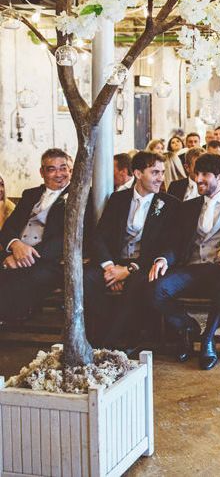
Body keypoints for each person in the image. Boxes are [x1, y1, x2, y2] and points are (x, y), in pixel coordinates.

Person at [148, 153, 220, 370]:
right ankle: (187, 327)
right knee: (156, 289)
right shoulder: (188, 207)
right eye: (196, 174)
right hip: (190, 268)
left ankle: (207, 339)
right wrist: (163, 259)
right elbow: (174, 243)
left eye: (205, 175)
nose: (198, 179)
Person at [84, 152, 179, 349]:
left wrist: (129, 270)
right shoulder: (118, 199)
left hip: (146, 264)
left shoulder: (170, 204)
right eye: (154, 172)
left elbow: (169, 246)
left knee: (137, 283)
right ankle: (98, 334)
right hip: (115, 261)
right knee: (86, 278)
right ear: (137, 173)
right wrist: (110, 268)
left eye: (162, 172)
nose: (160, 178)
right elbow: (99, 236)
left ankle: (113, 344)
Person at [0, 149, 92, 320]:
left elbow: (67, 237)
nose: (59, 174)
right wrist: (15, 245)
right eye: (52, 169)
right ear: (42, 172)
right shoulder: (30, 195)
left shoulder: (81, 196)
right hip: (15, 252)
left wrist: (25, 257)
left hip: (52, 260)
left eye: (63, 168)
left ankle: (12, 322)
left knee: (22, 280)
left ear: (70, 170)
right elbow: (8, 228)